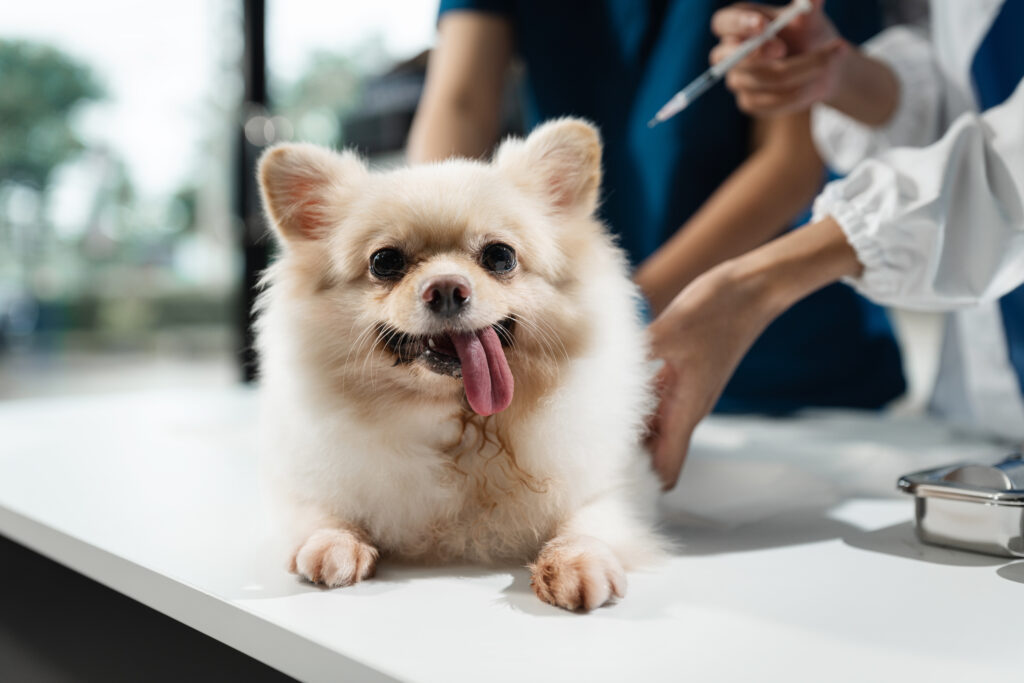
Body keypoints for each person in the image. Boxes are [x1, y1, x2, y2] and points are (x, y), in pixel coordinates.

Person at [408, 0, 908, 415]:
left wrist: (618, 316)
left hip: (787, 373)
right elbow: (460, 103)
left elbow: (791, 162)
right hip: (590, 360)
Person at [649, 0, 1024, 488]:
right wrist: (841, 75)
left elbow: (1009, 165)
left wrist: (751, 288)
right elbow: (960, 95)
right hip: (975, 416)